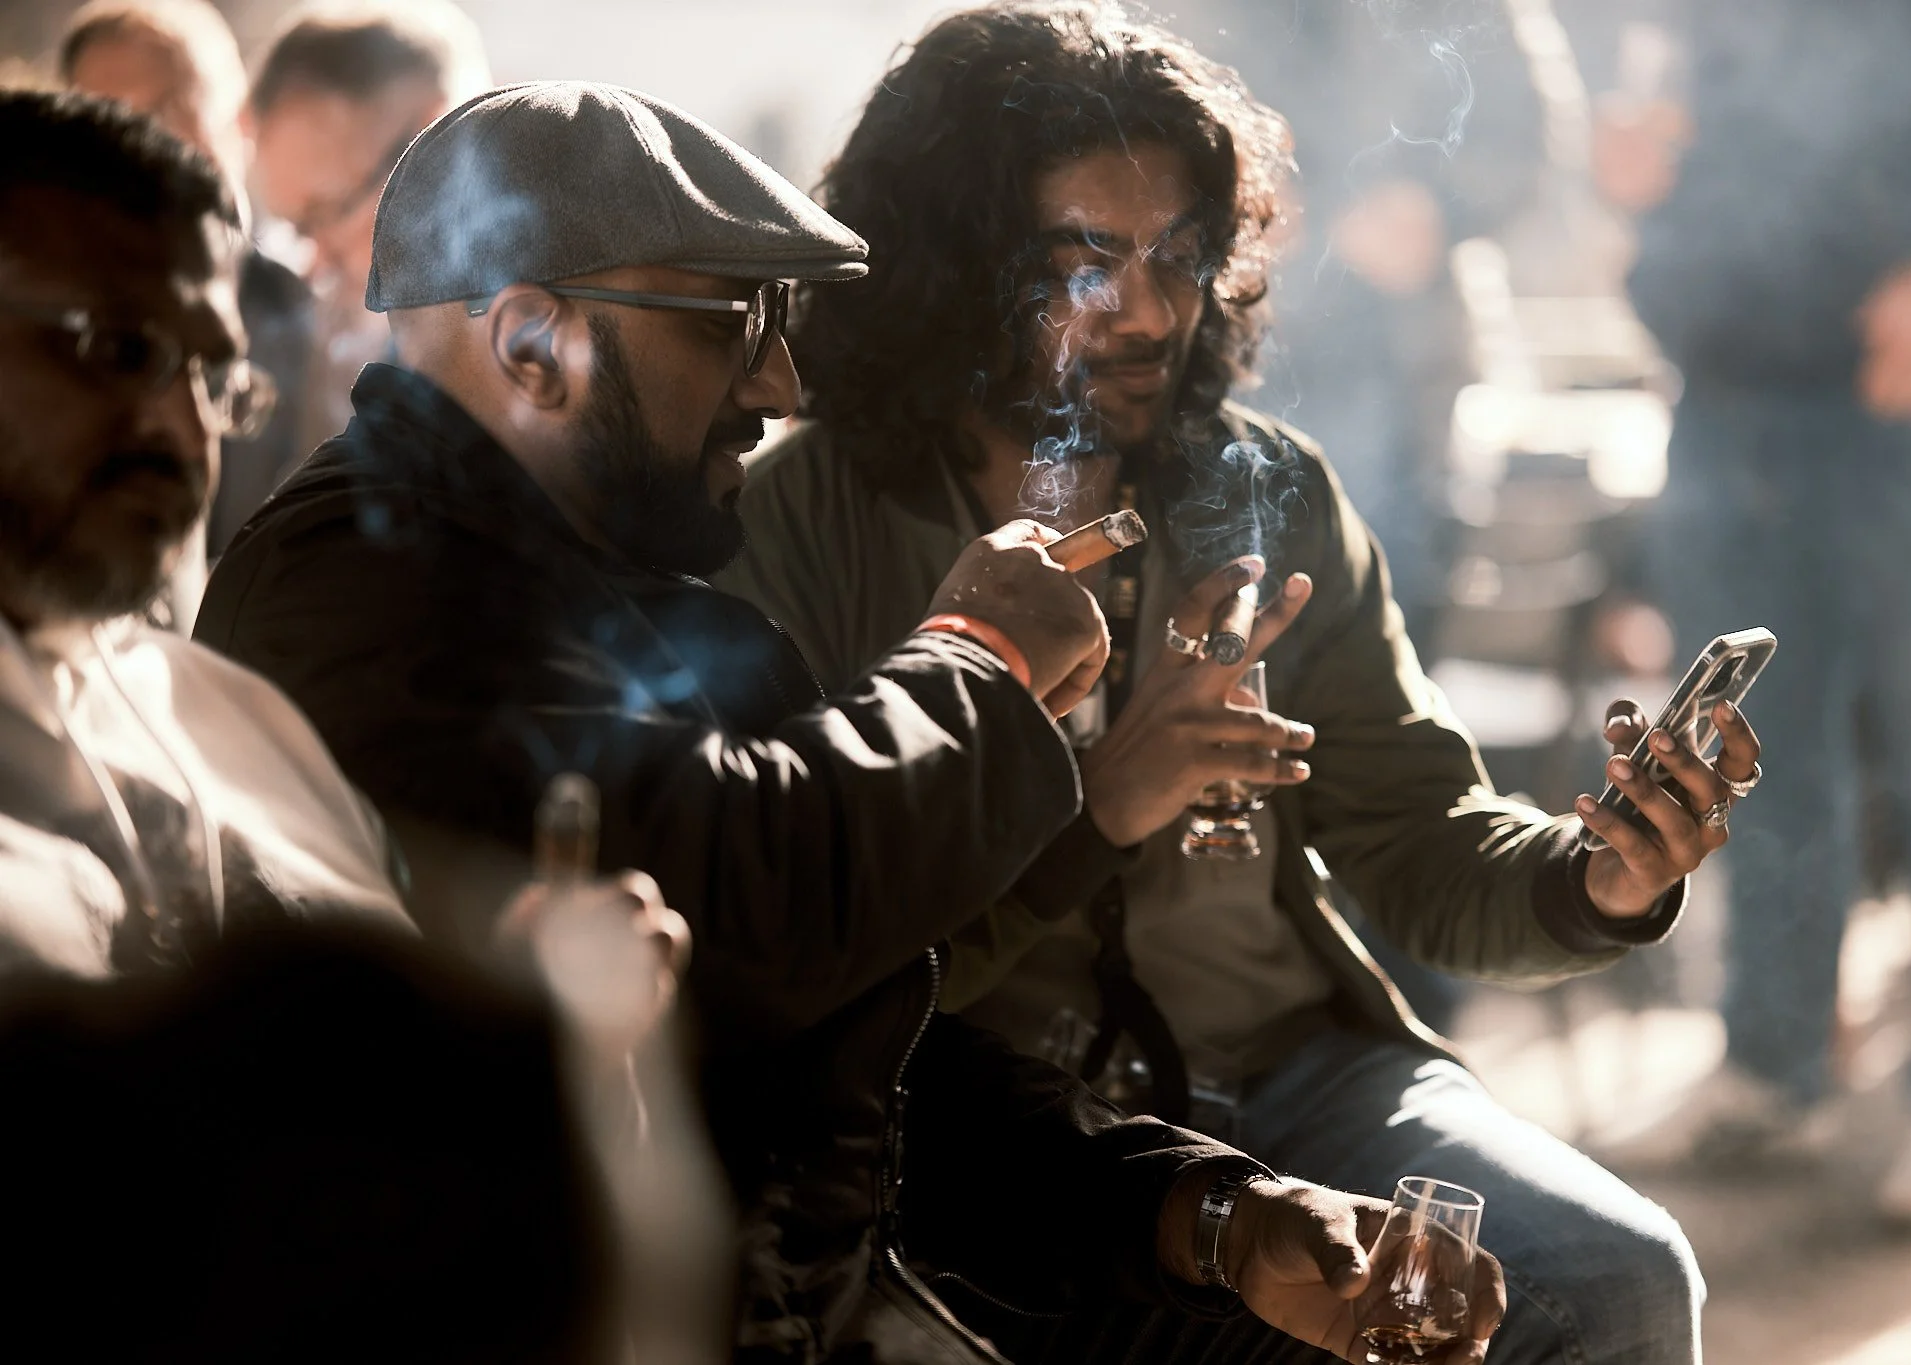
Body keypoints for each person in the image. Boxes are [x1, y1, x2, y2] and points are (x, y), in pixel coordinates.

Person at [196, 79, 1514, 1364]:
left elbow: (858, 1062)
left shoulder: (608, 582)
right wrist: (976, 657)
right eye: (734, 320)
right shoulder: (359, 584)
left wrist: (1215, 1217)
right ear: (533, 342)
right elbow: (746, 916)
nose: (779, 380)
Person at [717, 7, 1764, 1363]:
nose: (1150, 310)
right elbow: (809, 961)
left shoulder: (1266, 490)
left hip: (1290, 1070)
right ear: (952, 268)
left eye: (1183, 257)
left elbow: (1422, 839)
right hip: (993, 1131)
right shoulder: (802, 522)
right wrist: (1098, 804)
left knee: (1620, 1279)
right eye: (1085, 263)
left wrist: (1600, 877)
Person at [0, 87, 702, 1360]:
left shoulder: (228, 718)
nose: (173, 426)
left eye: (210, 372)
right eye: (110, 348)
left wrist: (531, 1000)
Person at [1623, 0, 1911, 1225]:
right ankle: (1772, 1063)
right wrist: (1649, 197)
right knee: (1748, 744)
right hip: (1727, 383)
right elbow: (1692, 105)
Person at [59, 0, 315, 573]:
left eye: (171, 107)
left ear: (240, 116)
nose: (143, 146)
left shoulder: (324, 314)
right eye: (109, 121)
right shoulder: (55, 335)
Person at [247, 0, 489, 453]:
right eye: (298, 229)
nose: (315, 265)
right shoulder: (312, 345)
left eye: (326, 213)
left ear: (436, 141)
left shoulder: (532, 345)